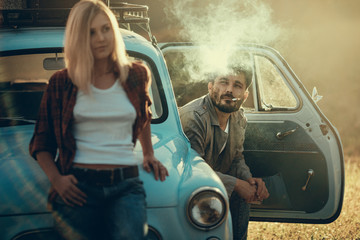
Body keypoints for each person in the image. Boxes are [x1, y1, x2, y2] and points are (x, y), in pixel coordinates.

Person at [29, 0, 168, 239]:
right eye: (91, 32)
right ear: (78, 38)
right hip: (78, 186)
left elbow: (143, 114)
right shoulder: (61, 82)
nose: (101, 38)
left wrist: (148, 153)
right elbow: (41, 141)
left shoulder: (136, 73)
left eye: (105, 29)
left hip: (126, 186)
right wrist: (57, 180)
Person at [179, 65, 269, 240]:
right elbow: (193, 171)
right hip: (189, 191)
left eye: (237, 85)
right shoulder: (194, 117)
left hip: (214, 185)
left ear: (245, 95)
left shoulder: (238, 118)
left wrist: (248, 179)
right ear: (210, 86)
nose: (229, 90)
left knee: (243, 194)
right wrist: (236, 184)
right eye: (223, 82)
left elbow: (236, 158)